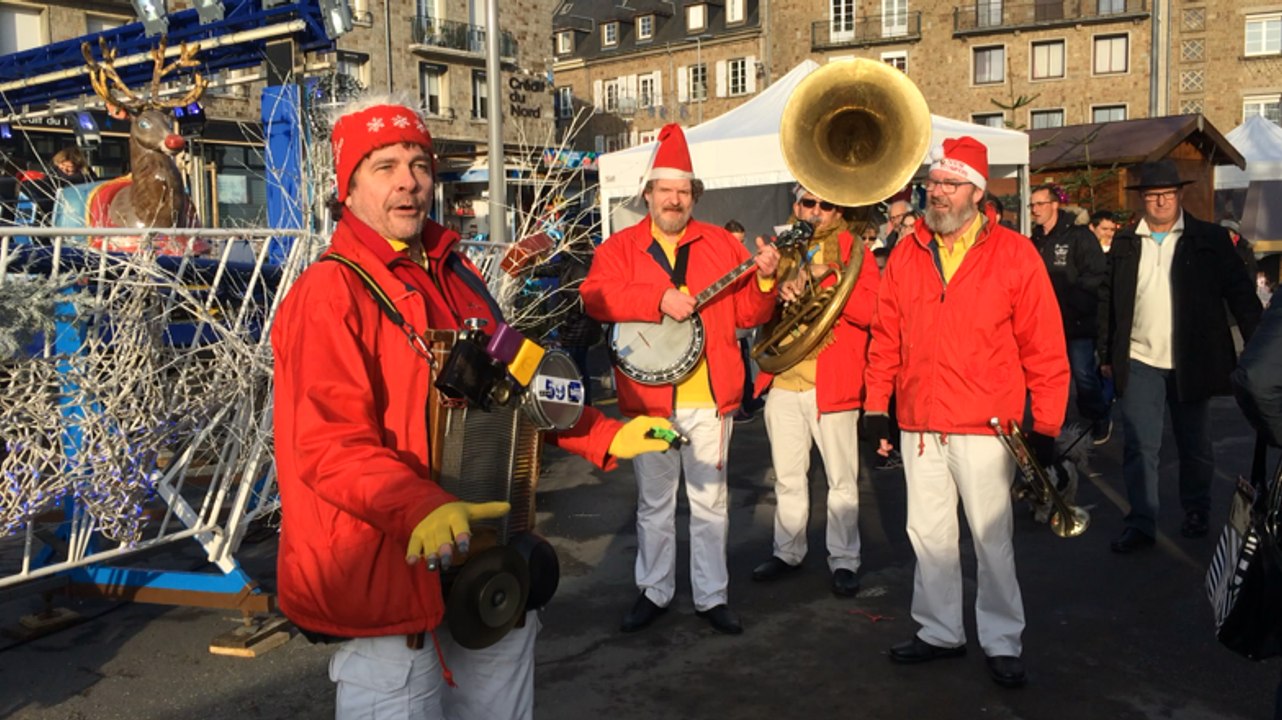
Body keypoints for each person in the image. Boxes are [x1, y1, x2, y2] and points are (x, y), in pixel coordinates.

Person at [271, 99, 672, 720]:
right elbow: (328, 445)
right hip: (393, 575)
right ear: (346, 189)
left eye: (419, 164)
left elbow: (521, 379)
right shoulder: (330, 292)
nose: (407, 181)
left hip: (486, 556)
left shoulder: (459, 276)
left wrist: (602, 434)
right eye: (384, 167)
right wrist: (420, 507)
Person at [864, 136, 1069, 689]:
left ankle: (1002, 639)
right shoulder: (907, 253)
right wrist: (876, 407)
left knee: (990, 537)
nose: (937, 192)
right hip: (920, 422)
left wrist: (1047, 425)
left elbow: (1045, 348)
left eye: (949, 184)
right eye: (933, 182)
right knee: (928, 533)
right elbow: (886, 337)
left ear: (977, 192)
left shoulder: (1015, 255)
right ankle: (939, 630)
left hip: (987, 425)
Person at [581, 123, 780, 636]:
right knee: (655, 504)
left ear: (694, 196)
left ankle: (712, 596)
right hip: (649, 401)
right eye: (665, 190)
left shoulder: (722, 244)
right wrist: (656, 299)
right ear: (648, 194)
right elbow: (594, 298)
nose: (674, 200)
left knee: (711, 504)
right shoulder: (619, 248)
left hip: (709, 399)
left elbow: (748, 314)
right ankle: (655, 590)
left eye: (683, 192)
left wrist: (764, 280)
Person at [1099, 160, 1263, 553]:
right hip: (1139, 358)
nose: (1160, 202)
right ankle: (1141, 521)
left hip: (1191, 359)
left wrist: (1259, 347)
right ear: (1142, 199)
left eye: (1167, 194)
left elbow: (1240, 293)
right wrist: (1105, 352)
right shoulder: (1126, 242)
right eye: (1152, 195)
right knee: (1140, 445)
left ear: (1179, 195)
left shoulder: (1208, 239)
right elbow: (1108, 300)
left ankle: (1196, 510)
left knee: (1194, 443)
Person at [749, 185, 880, 598]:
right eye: (809, 202)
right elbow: (755, 311)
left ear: (839, 210)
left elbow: (873, 312)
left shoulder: (853, 250)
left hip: (832, 381)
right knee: (788, 477)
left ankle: (844, 559)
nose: (817, 210)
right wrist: (774, 287)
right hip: (784, 379)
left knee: (842, 481)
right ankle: (787, 550)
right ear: (797, 205)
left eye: (827, 203)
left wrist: (831, 280)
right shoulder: (782, 247)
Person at [1028, 184, 1112, 444]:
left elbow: (1096, 274)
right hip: (1045, 323)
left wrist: (1074, 299)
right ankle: (1056, 425)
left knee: (1083, 374)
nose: (1035, 210)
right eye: (1032, 205)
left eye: (1040, 204)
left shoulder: (1078, 236)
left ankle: (1098, 417)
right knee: (1051, 377)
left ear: (1055, 205)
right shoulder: (1034, 240)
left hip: (1077, 322)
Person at [725, 219, 764, 423]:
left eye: (741, 241)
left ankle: (747, 400)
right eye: (735, 241)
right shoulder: (719, 261)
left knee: (744, 363)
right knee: (733, 368)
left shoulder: (744, 259)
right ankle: (737, 405)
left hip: (741, 325)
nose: (738, 245)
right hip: (726, 325)